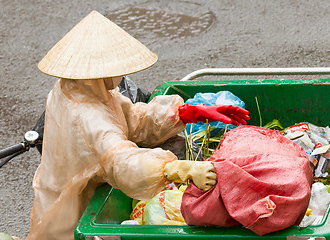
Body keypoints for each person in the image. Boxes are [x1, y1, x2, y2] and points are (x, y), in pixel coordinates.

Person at [26, 10, 249, 240]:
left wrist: (184, 113)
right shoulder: (88, 115)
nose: (121, 74)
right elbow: (122, 163)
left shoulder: (78, 89)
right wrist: (179, 169)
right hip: (69, 216)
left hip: (66, 198)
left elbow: (132, 119)